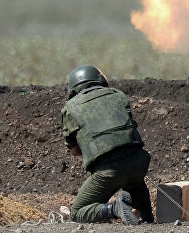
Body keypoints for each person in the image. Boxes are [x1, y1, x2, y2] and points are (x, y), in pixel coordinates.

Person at [61, 64, 154, 225]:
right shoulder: (118, 95)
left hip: (109, 171)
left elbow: (74, 150)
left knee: (77, 213)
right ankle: (147, 217)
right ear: (99, 80)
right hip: (140, 162)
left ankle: (114, 209)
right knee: (134, 178)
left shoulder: (71, 108)